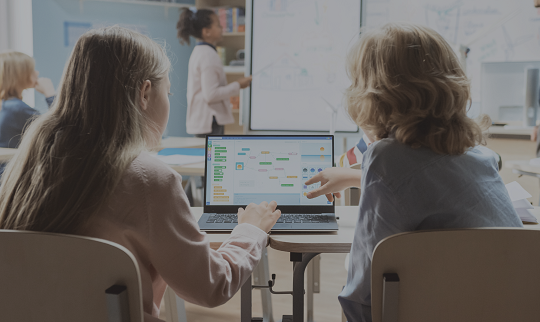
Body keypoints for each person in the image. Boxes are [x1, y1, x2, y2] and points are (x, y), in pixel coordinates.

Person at [0, 26, 281, 322]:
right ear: (145, 93)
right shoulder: (150, 179)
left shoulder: (24, 167)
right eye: (168, 92)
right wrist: (251, 230)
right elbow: (211, 286)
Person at [305, 22, 522, 322]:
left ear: (373, 93)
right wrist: (357, 176)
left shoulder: (384, 158)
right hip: (508, 309)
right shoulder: (480, 154)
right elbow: (428, 182)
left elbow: (363, 290)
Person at [177, 8, 252, 137]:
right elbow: (211, 94)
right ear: (207, 32)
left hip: (204, 121)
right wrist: (238, 85)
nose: (222, 28)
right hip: (210, 122)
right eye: (218, 25)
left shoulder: (200, 52)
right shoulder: (208, 55)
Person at [0, 51, 56, 148]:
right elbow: (57, 131)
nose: (37, 72)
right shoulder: (16, 109)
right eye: (31, 70)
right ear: (20, 75)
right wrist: (50, 94)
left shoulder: (6, 105)